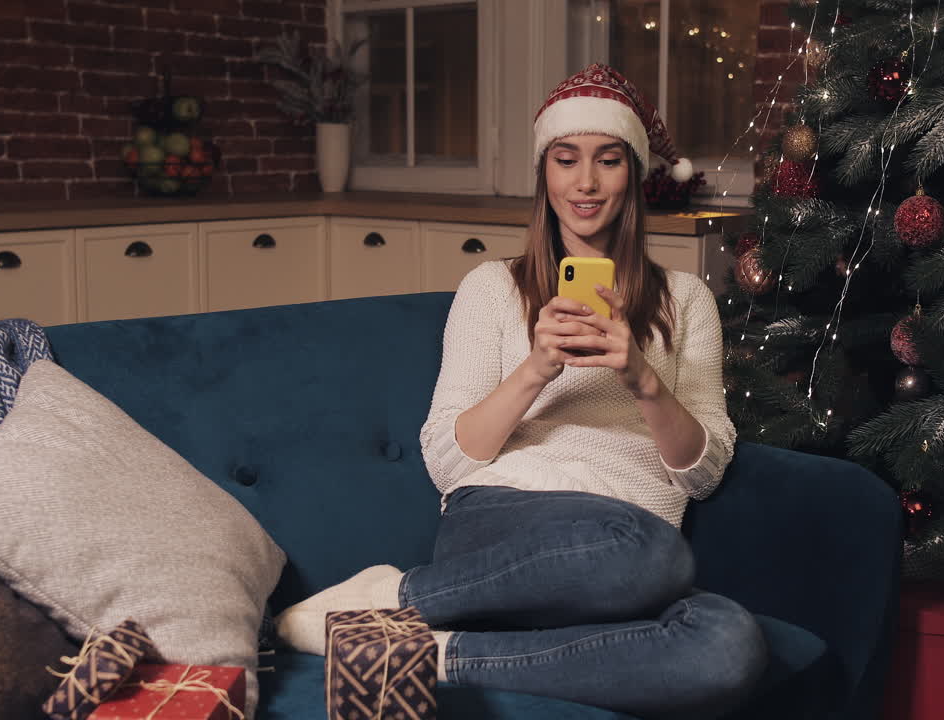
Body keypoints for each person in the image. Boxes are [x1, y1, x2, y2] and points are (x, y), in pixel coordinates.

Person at [277, 64, 767, 718]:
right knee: (652, 555)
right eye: (566, 160)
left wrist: (641, 378)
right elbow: (448, 463)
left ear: (633, 173)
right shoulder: (491, 288)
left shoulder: (685, 300)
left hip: (626, 555)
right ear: (545, 173)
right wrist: (537, 367)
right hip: (506, 523)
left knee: (729, 645)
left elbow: (702, 475)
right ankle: (397, 595)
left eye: (608, 160)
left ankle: (431, 654)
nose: (585, 182)